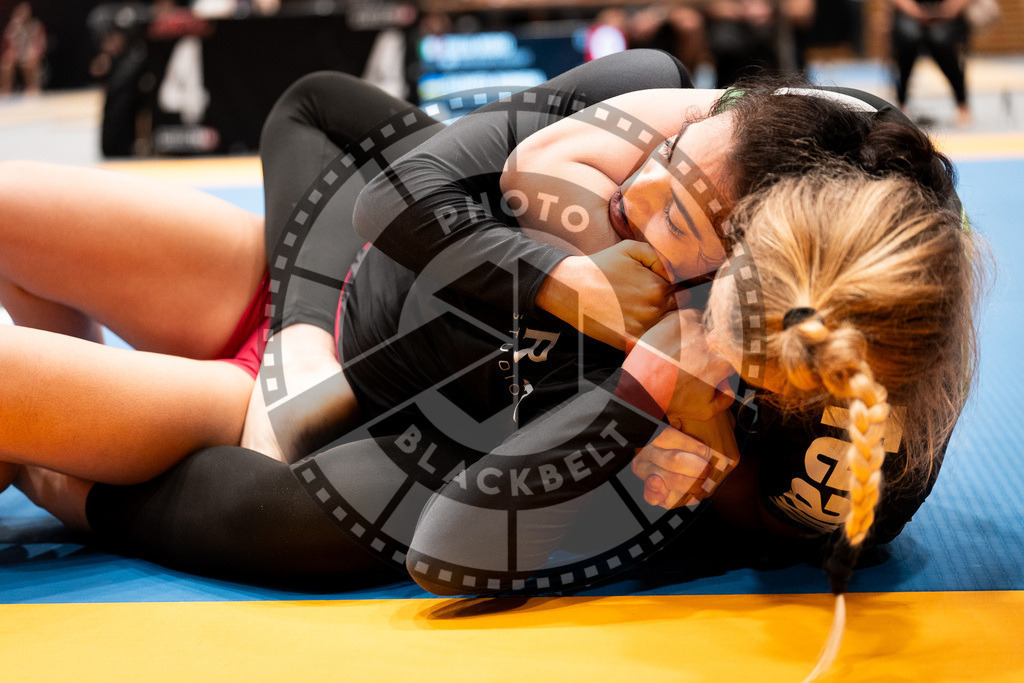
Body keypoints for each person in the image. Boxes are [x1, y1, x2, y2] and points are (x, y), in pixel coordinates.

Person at [3, 51, 975, 600]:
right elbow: (398, 149)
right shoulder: (796, 144)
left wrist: (69, 486)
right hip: (297, 287)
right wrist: (300, 318)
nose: (633, 173)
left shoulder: (751, 439)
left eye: (663, 219)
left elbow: (430, 539)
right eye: (672, 145)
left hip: (283, 428)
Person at [889, 0, 973, 127]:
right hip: (910, 14)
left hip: (946, 15)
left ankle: (962, 104)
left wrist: (944, 11)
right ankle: (901, 104)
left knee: (940, 41)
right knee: (909, 39)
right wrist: (917, 12)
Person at [0, 2, 46, 96]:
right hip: (17, 56)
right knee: (6, 62)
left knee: (32, 61)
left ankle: (32, 88)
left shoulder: (35, 26)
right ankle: (5, 89)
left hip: (31, 56)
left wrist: (34, 53)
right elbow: (7, 45)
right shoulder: (13, 27)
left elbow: (42, 44)